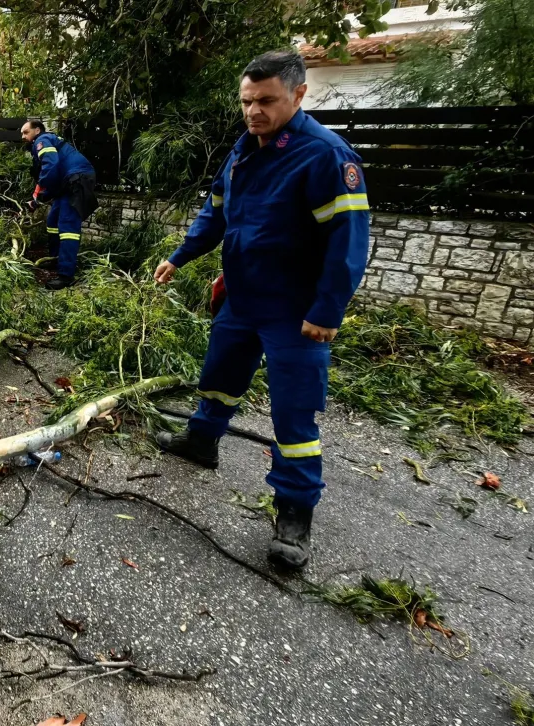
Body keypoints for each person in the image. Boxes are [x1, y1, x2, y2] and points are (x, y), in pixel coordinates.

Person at [152, 50, 370, 570]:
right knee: (219, 375)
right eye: (247, 102)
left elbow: (348, 243)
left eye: (266, 101)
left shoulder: (324, 157)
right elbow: (218, 212)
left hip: (295, 311)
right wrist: (179, 256)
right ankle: (202, 440)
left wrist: (327, 311)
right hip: (242, 297)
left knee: (293, 411)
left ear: (298, 95)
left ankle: (294, 512)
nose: (254, 111)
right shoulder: (245, 149)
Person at [20, 120, 97, 290]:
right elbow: (51, 179)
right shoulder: (46, 141)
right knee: (53, 221)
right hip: (67, 183)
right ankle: (55, 259)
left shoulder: (42, 140)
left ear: (37, 130)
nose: (23, 137)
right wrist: (39, 199)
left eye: (26, 132)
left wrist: (39, 197)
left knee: (68, 228)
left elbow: (50, 166)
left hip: (77, 180)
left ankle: (66, 276)